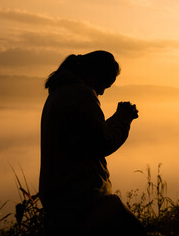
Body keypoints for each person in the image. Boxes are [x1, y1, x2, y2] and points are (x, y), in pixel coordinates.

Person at [39, 51, 145, 235]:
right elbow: (102, 144)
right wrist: (124, 119)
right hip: (82, 197)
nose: (102, 92)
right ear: (95, 74)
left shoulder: (60, 92)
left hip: (59, 196)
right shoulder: (83, 95)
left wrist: (115, 119)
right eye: (104, 84)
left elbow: (85, 136)